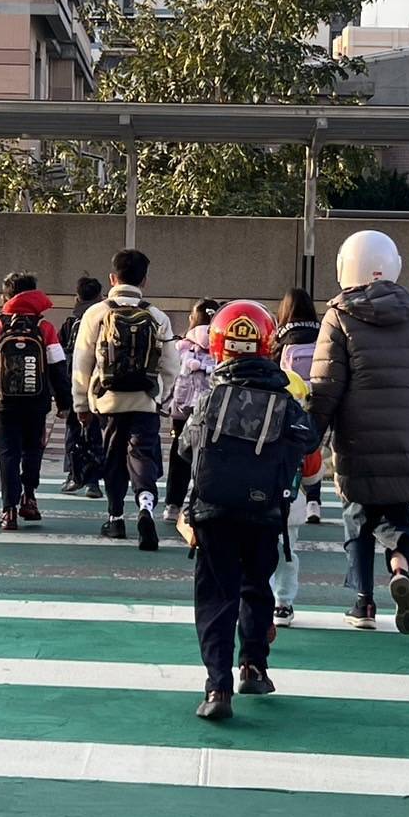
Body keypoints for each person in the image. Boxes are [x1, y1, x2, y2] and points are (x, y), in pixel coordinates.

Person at [177, 300, 317, 720]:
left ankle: (217, 689)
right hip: (263, 512)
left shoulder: (211, 398)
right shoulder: (285, 397)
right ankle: (253, 667)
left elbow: (186, 447)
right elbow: (308, 444)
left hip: (213, 511)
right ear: (268, 344)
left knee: (216, 597)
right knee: (257, 586)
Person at [308, 230, 409, 634]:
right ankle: (400, 566)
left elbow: (326, 384)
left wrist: (311, 434)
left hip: (357, 433)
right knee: (398, 511)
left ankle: (363, 603)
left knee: (357, 514)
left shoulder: (340, 314)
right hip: (407, 432)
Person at [71, 248, 181, 551]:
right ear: (144, 280)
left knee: (113, 458)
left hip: (107, 400)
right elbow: (172, 365)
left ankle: (115, 517)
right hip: (144, 401)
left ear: (112, 278)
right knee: (143, 455)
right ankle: (145, 506)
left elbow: (82, 363)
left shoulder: (96, 313)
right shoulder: (156, 316)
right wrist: (161, 396)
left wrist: (82, 404)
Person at [0, 272, 73, 532]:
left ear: (5, 296)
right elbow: (59, 368)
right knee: (33, 450)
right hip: (37, 402)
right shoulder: (44, 328)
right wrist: (64, 402)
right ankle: (30, 497)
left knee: (8, 454)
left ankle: (9, 510)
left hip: (3, 403)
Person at [269, 287, 325, 628]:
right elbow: (314, 467)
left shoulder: (280, 339)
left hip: (256, 495)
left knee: (257, 551)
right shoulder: (321, 333)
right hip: (292, 499)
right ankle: (284, 604)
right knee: (288, 553)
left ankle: (257, 599)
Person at [163, 297, 222, 523]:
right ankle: (199, 503)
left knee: (179, 454)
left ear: (192, 318)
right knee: (208, 456)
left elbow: (170, 374)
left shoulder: (182, 346)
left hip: (182, 410)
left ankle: (172, 505)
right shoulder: (221, 345)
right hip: (212, 410)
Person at [59, 276, 105, 499]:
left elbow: (59, 358)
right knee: (95, 432)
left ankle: (73, 475)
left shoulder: (71, 322)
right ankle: (93, 481)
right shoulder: (104, 317)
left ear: (76, 297)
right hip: (99, 385)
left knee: (73, 431)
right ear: (100, 296)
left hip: (74, 383)